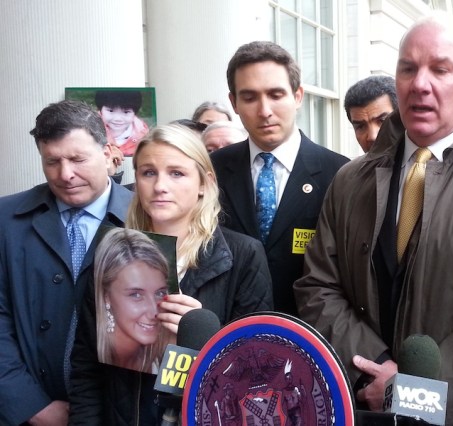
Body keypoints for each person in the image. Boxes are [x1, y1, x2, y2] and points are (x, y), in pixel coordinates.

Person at [294, 13, 453, 425]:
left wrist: (414, 389)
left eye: (441, 69)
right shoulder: (349, 181)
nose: (420, 84)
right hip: (363, 403)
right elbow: (318, 285)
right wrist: (371, 366)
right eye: (408, 69)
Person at [70, 123, 273, 424]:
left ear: (205, 182)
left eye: (177, 173)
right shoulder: (111, 252)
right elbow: (86, 367)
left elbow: (259, 371)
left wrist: (206, 336)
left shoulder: (243, 255)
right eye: (148, 172)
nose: (160, 186)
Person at [0, 100, 132, 425]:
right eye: (52, 162)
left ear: (108, 153)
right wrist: (30, 406)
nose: (66, 174)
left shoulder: (145, 221)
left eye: (77, 159)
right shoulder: (7, 220)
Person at [211, 41, 349, 316]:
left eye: (276, 94)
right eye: (249, 97)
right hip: (229, 335)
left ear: (298, 96)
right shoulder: (211, 170)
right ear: (233, 103)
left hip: (312, 336)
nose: (264, 111)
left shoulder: (340, 173)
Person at [94, 228, 170, 373]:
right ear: (106, 296)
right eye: (136, 295)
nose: (154, 311)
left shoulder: (162, 355)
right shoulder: (90, 356)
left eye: (159, 293)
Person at [344, 75, 398, 152]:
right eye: (361, 126)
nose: (372, 136)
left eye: (382, 121)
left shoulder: (419, 162)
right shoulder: (352, 164)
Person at [95, 89, 150, 156]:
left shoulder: (142, 135)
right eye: (111, 111)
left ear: (134, 114)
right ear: (100, 110)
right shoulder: (91, 129)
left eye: (126, 112)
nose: (118, 119)